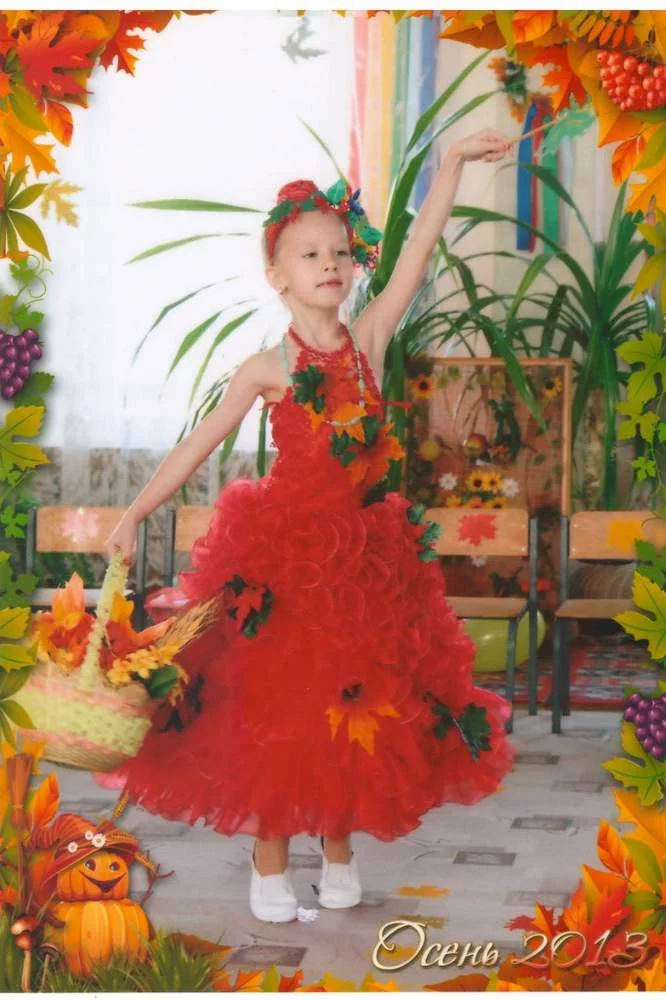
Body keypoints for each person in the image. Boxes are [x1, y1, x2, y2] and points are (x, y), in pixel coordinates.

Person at [102, 128, 517, 924]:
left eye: (340, 253)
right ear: (276, 274)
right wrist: (133, 513)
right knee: (281, 709)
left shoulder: (369, 340)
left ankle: (338, 852)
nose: (330, 264)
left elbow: (419, 251)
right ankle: (270, 866)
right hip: (284, 560)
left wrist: (455, 163)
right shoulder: (268, 367)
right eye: (310, 254)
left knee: (356, 701)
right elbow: (196, 444)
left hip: (367, 562)